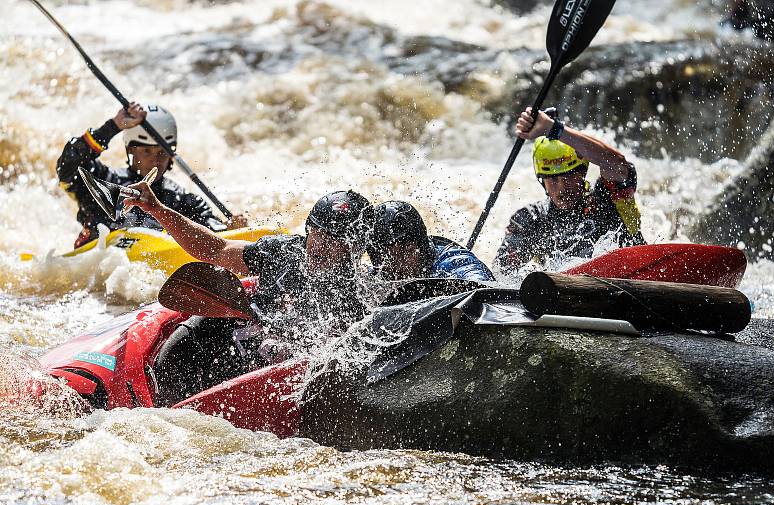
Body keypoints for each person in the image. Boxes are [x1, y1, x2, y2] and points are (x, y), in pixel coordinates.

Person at [123, 185, 376, 405]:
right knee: (185, 345)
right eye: (317, 234)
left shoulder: (363, 294)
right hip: (227, 352)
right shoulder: (284, 252)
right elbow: (216, 249)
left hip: (269, 381)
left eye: (333, 241)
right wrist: (157, 209)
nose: (319, 247)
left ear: (355, 247)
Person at [57, 102, 237, 248]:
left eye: (162, 153)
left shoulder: (183, 201)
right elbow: (68, 164)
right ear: (130, 150)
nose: (155, 160)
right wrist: (113, 126)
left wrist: (232, 231)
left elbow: (219, 242)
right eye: (146, 151)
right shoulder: (100, 183)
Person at [494, 108, 645, 274]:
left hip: (631, 279)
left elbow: (617, 164)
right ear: (542, 181)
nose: (562, 187)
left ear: (583, 172)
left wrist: (553, 129)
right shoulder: (530, 220)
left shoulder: (609, 199)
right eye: (552, 179)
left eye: (569, 176)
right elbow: (503, 272)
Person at [367, 200, 494, 282]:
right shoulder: (377, 274)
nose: (395, 268)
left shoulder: (453, 263)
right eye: (386, 258)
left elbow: (482, 286)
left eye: (403, 255)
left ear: (420, 248)